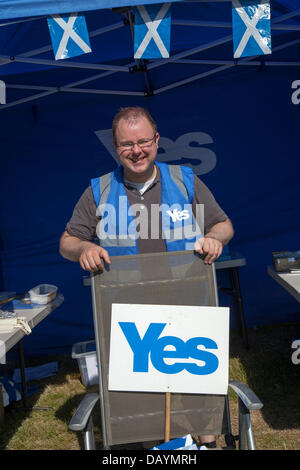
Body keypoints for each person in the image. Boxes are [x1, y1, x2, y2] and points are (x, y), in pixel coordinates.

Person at [59, 106, 234, 447]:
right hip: (130, 316)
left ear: (156, 140)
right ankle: (154, 445)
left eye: (143, 141)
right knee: (142, 403)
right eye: (127, 144)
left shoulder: (185, 180)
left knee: (199, 392)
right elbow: (67, 241)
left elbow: (223, 224)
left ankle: (207, 442)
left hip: (189, 307)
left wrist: (216, 238)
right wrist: (83, 249)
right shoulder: (99, 190)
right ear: (115, 146)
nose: (136, 151)